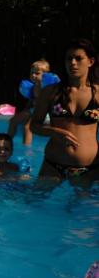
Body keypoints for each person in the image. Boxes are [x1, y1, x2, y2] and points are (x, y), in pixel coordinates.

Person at [30, 38, 99, 186]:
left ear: (90, 62)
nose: (73, 63)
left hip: (89, 168)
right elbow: (34, 126)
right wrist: (56, 132)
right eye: (69, 58)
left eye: (78, 58)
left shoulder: (98, 94)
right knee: (33, 204)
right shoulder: (50, 92)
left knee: (83, 208)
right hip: (53, 165)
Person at [7, 60, 57, 146]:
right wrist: (25, 112)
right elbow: (31, 101)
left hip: (44, 112)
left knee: (28, 127)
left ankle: (26, 151)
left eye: (37, 73)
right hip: (33, 110)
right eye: (32, 73)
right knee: (13, 121)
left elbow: (51, 103)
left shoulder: (47, 88)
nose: (33, 75)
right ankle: (7, 142)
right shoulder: (33, 86)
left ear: (45, 75)